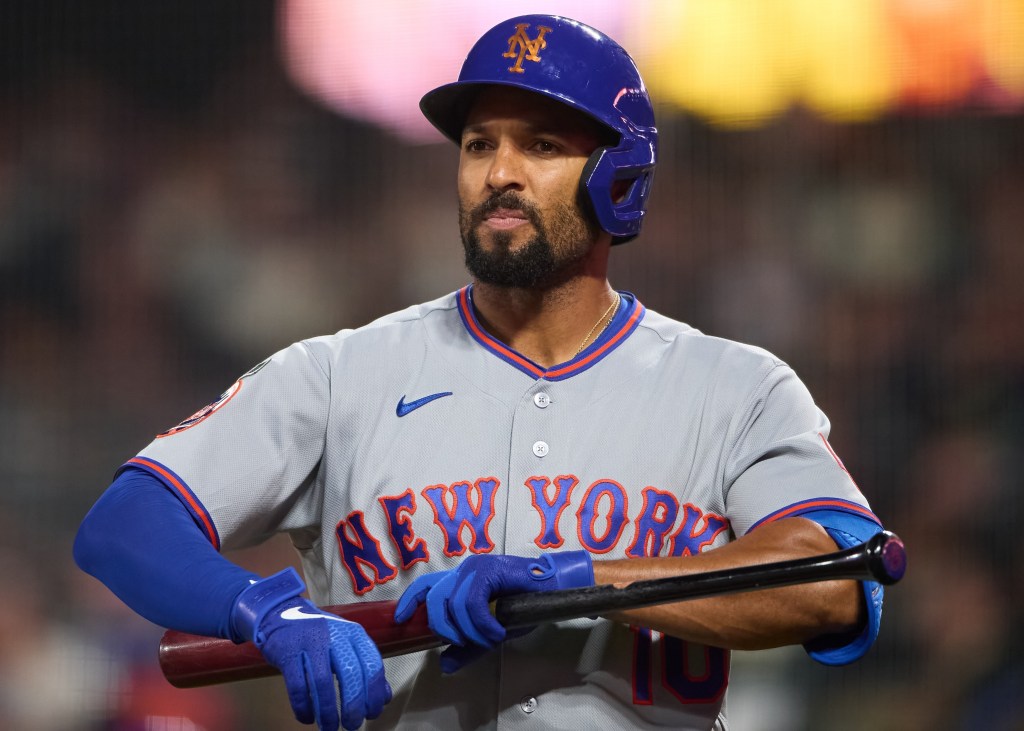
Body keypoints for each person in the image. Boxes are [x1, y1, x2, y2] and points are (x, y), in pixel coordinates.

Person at [74, 14, 888, 731]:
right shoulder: (341, 374)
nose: (499, 171)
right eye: (478, 144)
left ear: (619, 176)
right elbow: (125, 522)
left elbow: (836, 581)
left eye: (539, 145)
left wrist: (575, 579)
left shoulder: (734, 388)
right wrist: (265, 610)